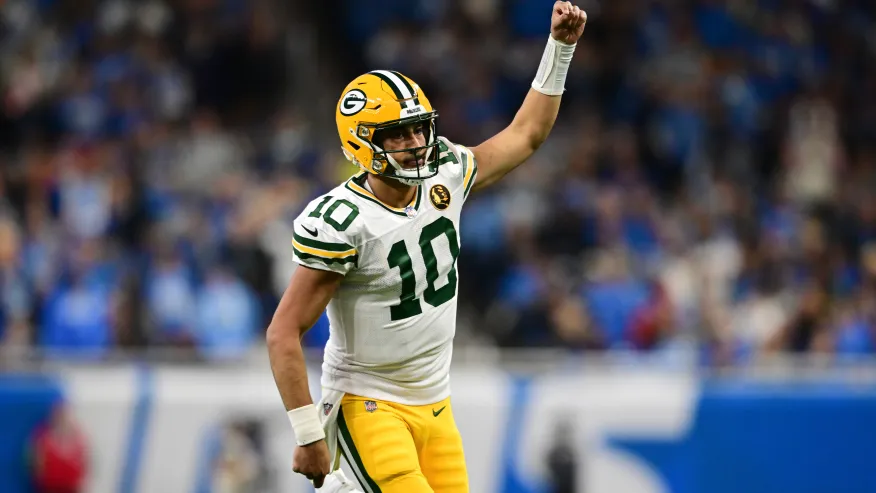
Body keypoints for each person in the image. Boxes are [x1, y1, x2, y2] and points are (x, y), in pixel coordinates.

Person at [265, 3, 588, 492]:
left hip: (435, 401)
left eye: (418, 128)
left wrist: (560, 48)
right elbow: (283, 331)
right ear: (361, 145)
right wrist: (308, 431)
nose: (416, 143)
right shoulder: (343, 221)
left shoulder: (446, 174)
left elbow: (527, 134)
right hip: (366, 402)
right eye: (398, 135)